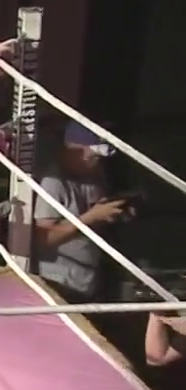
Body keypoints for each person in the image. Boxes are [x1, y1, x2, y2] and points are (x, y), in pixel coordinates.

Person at [34, 122, 126, 303]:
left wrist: (111, 213)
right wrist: (89, 218)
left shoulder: (94, 175)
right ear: (73, 150)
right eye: (93, 157)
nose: (96, 163)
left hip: (88, 280)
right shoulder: (53, 182)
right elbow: (43, 238)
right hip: (59, 284)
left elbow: (94, 218)